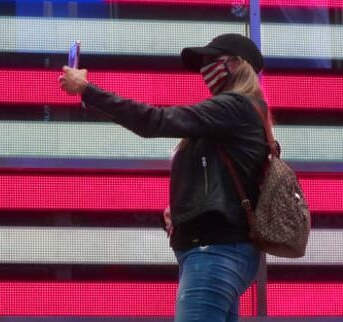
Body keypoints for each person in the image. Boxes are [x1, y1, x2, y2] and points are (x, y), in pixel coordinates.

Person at [59, 33, 271, 322]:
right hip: (214, 250)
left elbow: (154, 120)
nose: (204, 69)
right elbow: (217, 179)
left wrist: (88, 90)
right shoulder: (232, 114)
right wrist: (182, 212)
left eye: (212, 61)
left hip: (215, 252)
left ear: (236, 65)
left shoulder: (234, 107)